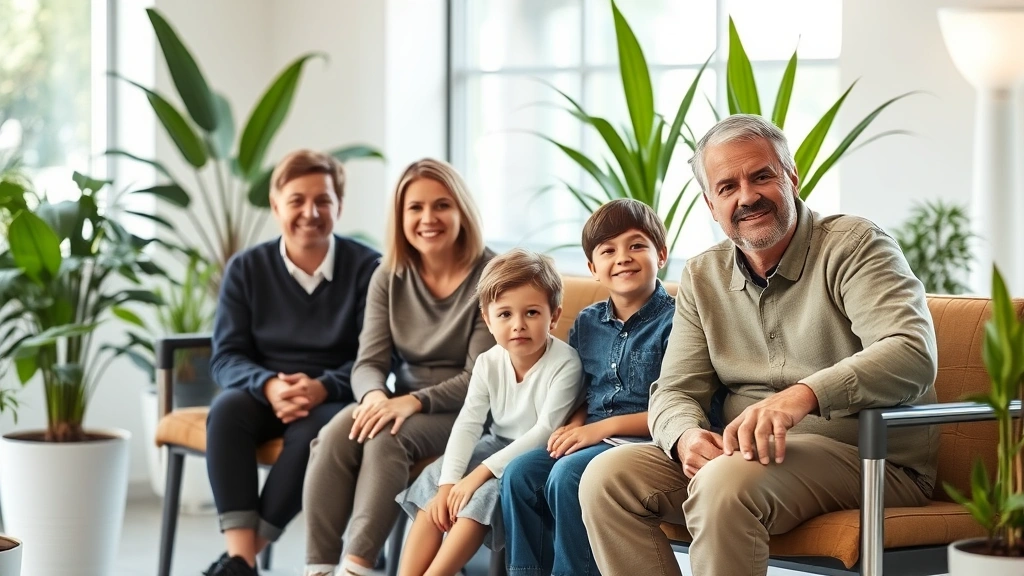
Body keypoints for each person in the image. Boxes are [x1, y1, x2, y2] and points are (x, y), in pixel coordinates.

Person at [579, 114, 940, 576]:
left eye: (762, 176)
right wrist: (685, 436)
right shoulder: (702, 274)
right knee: (606, 479)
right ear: (711, 204)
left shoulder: (855, 245)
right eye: (727, 187)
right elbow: (673, 391)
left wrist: (802, 396)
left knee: (724, 483)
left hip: (869, 460)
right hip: (743, 456)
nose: (747, 197)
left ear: (792, 177)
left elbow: (911, 352)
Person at [302, 158, 495, 576]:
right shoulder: (388, 275)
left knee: (387, 439)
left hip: (474, 411)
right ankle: (317, 568)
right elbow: (369, 362)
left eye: (441, 205)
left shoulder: (491, 276)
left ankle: (358, 567)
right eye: (415, 208)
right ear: (400, 216)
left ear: (462, 209)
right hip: (403, 402)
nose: (428, 218)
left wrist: (410, 402)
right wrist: (373, 397)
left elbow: (480, 378)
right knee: (335, 435)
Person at [203, 150, 381, 576]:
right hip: (263, 390)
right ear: (276, 204)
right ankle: (243, 560)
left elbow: (376, 354)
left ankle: (240, 563)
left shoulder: (368, 268)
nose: (310, 212)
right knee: (225, 411)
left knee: (314, 435)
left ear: (339, 205)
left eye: (323, 200)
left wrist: (323, 386)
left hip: (335, 393)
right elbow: (226, 355)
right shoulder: (246, 268)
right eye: (297, 200)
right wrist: (268, 385)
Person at [500, 198, 676, 576]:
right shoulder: (587, 322)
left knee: (568, 475)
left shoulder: (677, 322)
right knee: (520, 474)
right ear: (593, 268)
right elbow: (584, 391)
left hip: (647, 443)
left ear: (661, 253)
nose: (623, 257)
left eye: (636, 245)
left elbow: (676, 410)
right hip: (595, 436)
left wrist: (599, 428)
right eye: (608, 250)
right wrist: (576, 426)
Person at [395, 248, 583, 576]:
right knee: (434, 480)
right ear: (488, 318)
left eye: (532, 313)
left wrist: (475, 477)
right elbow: (469, 422)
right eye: (505, 314)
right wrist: (449, 484)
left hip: (537, 456)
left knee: (481, 496)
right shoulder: (488, 361)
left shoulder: (565, 364)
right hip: (496, 443)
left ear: (554, 316)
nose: (518, 325)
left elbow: (543, 432)